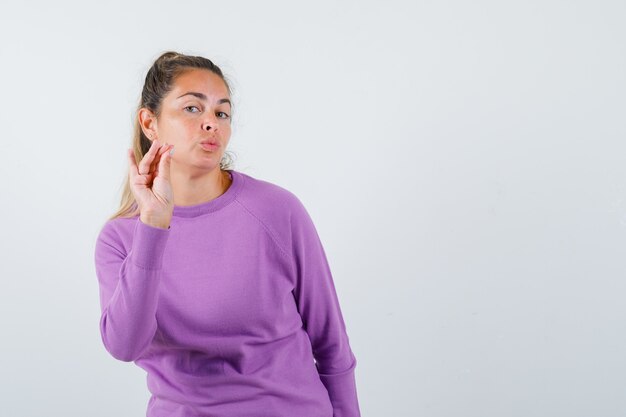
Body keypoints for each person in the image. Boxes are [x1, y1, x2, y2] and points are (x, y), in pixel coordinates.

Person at [93, 51, 361, 417]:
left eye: (221, 113)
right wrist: (153, 227)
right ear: (150, 123)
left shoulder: (277, 211)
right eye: (192, 108)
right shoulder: (121, 238)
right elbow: (125, 345)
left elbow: (332, 344)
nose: (210, 123)